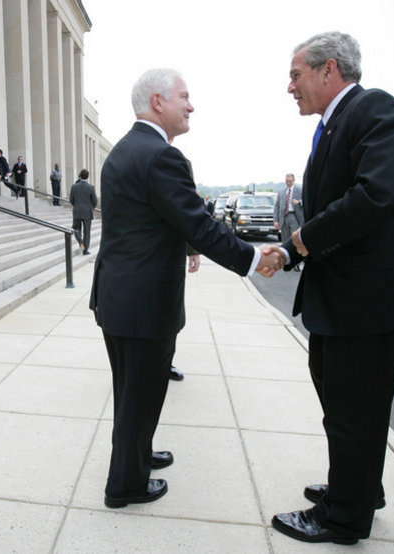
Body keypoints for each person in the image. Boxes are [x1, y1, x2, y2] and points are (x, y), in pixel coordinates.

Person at [89, 68, 281, 510]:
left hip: (118, 297)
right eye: (184, 97)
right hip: (143, 304)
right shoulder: (161, 156)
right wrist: (252, 259)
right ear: (158, 102)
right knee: (142, 394)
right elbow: (198, 222)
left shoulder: (123, 150)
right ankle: (126, 486)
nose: (191, 106)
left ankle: (136, 456)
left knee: (132, 393)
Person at [266, 32, 394, 545]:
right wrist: (292, 252)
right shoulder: (333, 124)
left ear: (328, 70)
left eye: (296, 75)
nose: (289, 86)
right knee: (347, 408)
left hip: (368, 304)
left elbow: (373, 197)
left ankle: (344, 517)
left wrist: (299, 240)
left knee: (353, 412)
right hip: (344, 302)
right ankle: (358, 488)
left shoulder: (377, 111)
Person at [273, 173, 304, 270]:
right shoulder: (282, 192)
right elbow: (276, 206)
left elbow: (307, 201)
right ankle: (285, 262)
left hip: (294, 216)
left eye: (290, 181)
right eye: (287, 181)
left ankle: (296, 263)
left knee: (294, 239)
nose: (288, 183)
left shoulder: (300, 190)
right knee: (285, 240)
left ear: (293, 180)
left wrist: (299, 202)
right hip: (284, 218)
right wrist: (276, 220)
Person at [69, 169, 98, 255]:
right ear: (88, 177)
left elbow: (71, 200)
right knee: (87, 232)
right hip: (87, 212)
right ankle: (85, 250)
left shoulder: (74, 187)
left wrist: (77, 206)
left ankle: (81, 242)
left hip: (77, 211)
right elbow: (95, 201)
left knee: (76, 229)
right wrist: (90, 208)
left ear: (80, 176)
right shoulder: (91, 187)